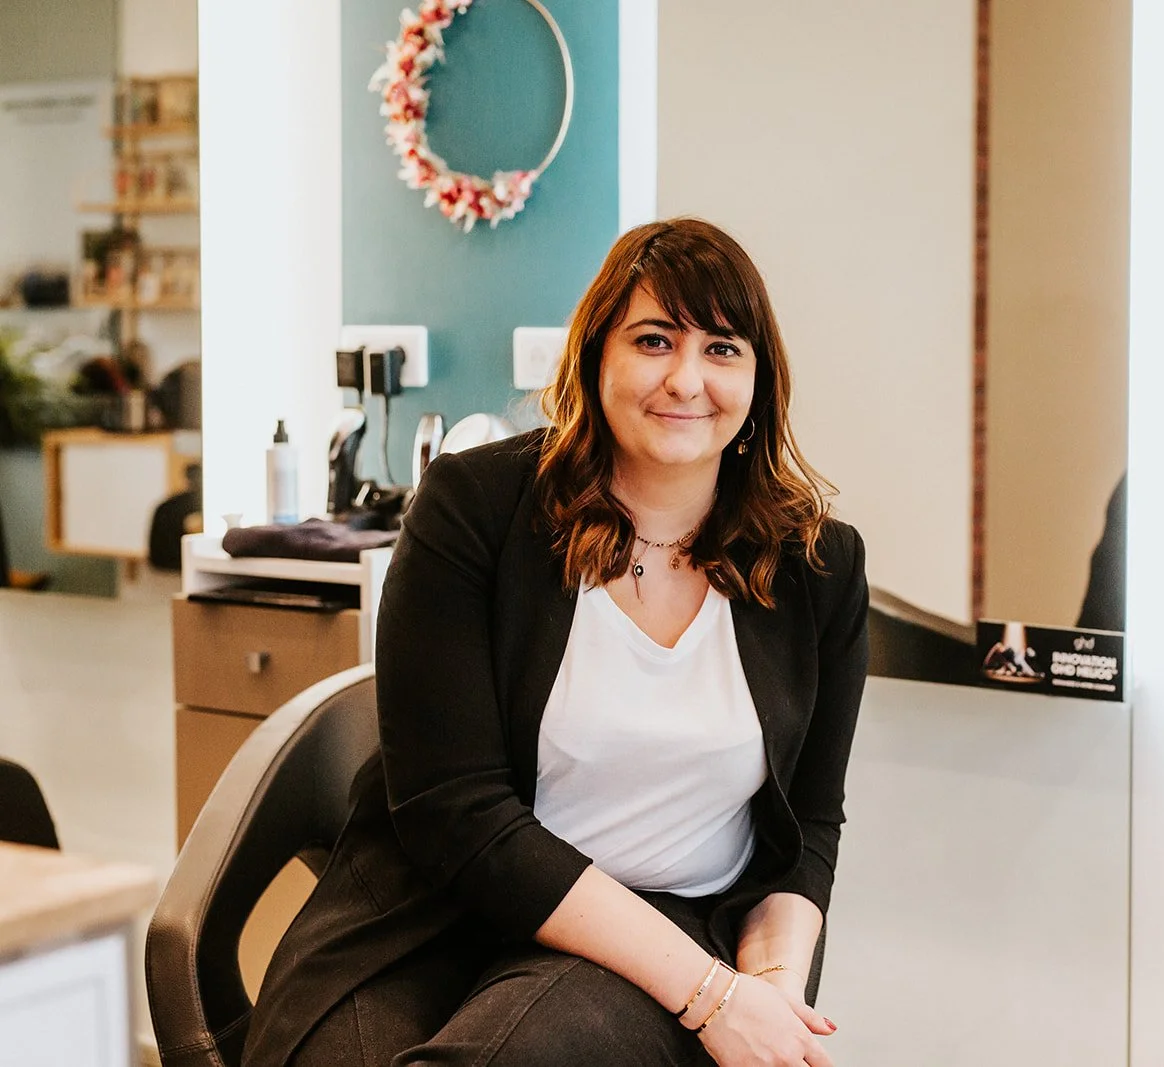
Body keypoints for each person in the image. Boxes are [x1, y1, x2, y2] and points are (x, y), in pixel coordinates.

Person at [241, 218, 869, 1067]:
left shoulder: (819, 567)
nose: (686, 379)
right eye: (654, 340)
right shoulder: (474, 507)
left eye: (722, 348)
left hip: (658, 929)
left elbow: (808, 826)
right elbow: (455, 810)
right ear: (595, 354)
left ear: (759, 381)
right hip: (429, 911)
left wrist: (769, 993)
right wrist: (716, 997)